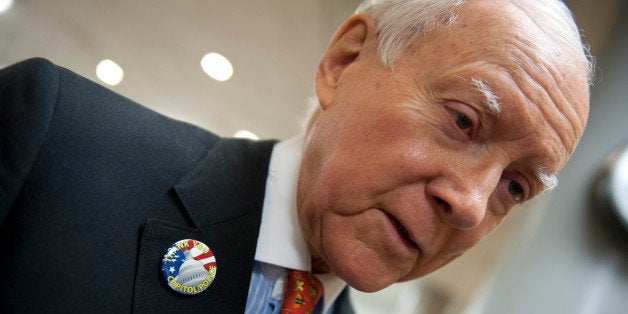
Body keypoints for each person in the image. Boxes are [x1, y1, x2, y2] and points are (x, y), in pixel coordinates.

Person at [0, 0, 592, 313]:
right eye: (464, 120)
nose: (469, 205)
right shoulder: (55, 141)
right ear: (345, 61)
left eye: (514, 187)